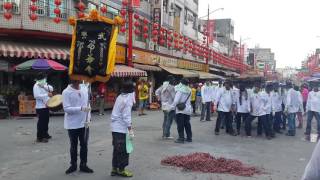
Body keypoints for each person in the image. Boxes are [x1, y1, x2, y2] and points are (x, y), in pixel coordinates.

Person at [62, 80, 93, 174]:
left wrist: (89, 118)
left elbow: (88, 104)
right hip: (72, 124)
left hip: (84, 123)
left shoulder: (84, 89)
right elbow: (66, 108)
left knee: (84, 145)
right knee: (73, 145)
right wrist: (80, 108)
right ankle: (73, 164)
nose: (80, 80)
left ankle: (83, 164)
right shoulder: (66, 92)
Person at [110, 81, 135, 177]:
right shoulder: (127, 100)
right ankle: (121, 169)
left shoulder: (120, 97)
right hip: (121, 128)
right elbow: (126, 116)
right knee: (124, 150)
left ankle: (114, 168)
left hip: (115, 127)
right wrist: (130, 129)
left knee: (117, 149)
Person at [33, 73, 53, 143]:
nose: (45, 79)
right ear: (41, 79)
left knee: (46, 121)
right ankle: (40, 137)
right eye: (44, 78)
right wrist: (47, 94)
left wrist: (44, 86)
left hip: (47, 105)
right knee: (41, 122)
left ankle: (45, 134)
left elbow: (51, 88)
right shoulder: (36, 86)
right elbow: (36, 96)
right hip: (40, 107)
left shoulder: (44, 84)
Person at [171, 78, 192, 143]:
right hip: (187, 109)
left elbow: (176, 101)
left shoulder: (180, 90)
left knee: (180, 125)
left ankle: (181, 138)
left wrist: (172, 107)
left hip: (180, 110)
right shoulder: (189, 90)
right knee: (187, 124)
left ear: (181, 83)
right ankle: (189, 138)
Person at [155, 76, 176, 140]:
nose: (174, 80)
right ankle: (166, 134)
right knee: (169, 121)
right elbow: (174, 97)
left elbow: (156, 92)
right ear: (170, 80)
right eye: (173, 79)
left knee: (165, 120)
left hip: (164, 105)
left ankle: (164, 134)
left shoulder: (163, 86)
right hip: (170, 106)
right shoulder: (171, 87)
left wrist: (160, 98)